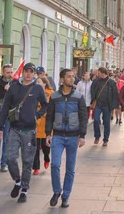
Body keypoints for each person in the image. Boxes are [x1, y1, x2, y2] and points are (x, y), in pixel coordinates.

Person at [0, 62, 47, 204]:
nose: (28, 74)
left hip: (30, 131)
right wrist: (0, 128)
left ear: (33, 73)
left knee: (27, 161)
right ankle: (17, 181)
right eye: (26, 71)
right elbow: (5, 108)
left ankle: (24, 189)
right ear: (23, 72)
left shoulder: (37, 88)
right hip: (14, 129)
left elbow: (45, 104)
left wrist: (37, 115)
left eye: (31, 72)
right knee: (10, 158)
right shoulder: (14, 87)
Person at [46, 68, 87, 209]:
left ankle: (66, 196)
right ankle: (57, 191)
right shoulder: (54, 97)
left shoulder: (79, 97)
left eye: (73, 77)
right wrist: (47, 134)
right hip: (57, 135)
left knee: (70, 168)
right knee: (55, 165)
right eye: (69, 77)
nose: (72, 79)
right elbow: (49, 116)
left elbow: (83, 117)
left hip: (73, 137)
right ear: (62, 79)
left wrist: (82, 136)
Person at [91, 67, 119, 146]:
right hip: (98, 105)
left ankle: (105, 139)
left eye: (99, 73)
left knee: (106, 123)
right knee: (96, 120)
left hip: (107, 106)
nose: (98, 74)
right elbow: (92, 90)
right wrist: (93, 98)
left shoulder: (111, 82)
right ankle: (97, 136)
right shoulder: (96, 81)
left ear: (103, 73)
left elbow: (115, 94)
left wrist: (114, 105)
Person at [33, 77, 54, 175]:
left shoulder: (51, 93)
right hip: (35, 123)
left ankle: (46, 158)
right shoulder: (32, 92)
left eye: (39, 82)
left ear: (45, 84)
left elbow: (51, 108)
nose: (37, 83)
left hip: (46, 123)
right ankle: (36, 167)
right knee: (35, 147)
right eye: (36, 82)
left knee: (45, 146)